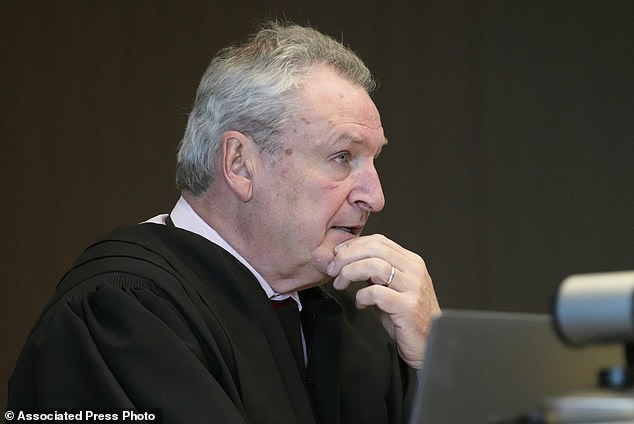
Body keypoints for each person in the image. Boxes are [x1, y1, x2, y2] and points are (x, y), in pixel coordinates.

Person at [7, 21, 440, 423]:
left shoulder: (361, 321)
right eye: (342, 157)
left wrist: (437, 366)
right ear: (240, 164)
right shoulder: (122, 312)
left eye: (373, 160)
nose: (375, 196)